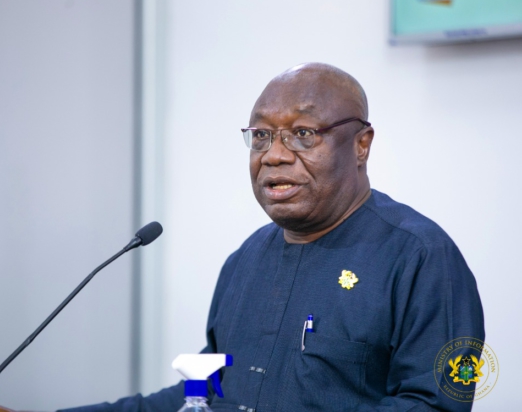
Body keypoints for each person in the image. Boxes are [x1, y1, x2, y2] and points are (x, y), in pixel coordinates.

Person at [60, 63, 484, 411]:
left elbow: (433, 406)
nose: (274, 155)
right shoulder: (244, 261)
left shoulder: (421, 257)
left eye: (303, 134)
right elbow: (204, 394)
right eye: (261, 136)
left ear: (361, 145)